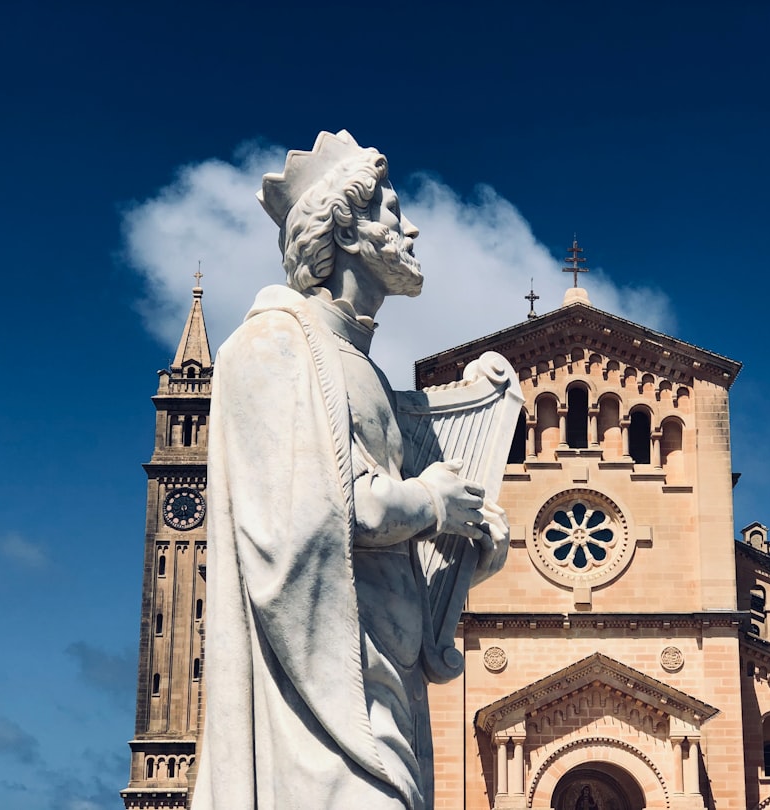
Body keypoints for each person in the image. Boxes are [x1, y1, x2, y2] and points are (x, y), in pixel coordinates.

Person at [191, 131, 509, 810]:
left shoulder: (365, 371)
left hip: (388, 695)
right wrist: (431, 504)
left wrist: (466, 549)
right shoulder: (272, 346)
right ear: (347, 227)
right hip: (315, 716)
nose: (413, 226)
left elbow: (380, 545)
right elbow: (310, 516)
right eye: (393, 210)